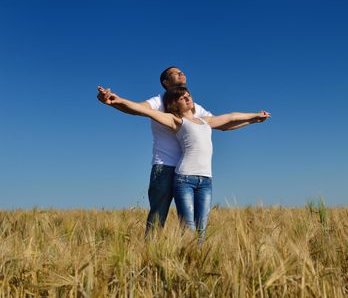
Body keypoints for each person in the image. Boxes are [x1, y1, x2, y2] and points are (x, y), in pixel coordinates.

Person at [98, 85, 270, 240]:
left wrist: (254, 117)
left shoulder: (205, 121)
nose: (188, 98)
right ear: (175, 104)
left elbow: (231, 117)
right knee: (188, 228)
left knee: (201, 230)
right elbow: (145, 111)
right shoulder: (176, 121)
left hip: (206, 181)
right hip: (184, 179)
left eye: (188, 95)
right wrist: (118, 100)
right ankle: (179, 257)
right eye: (182, 98)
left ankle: (195, 264)